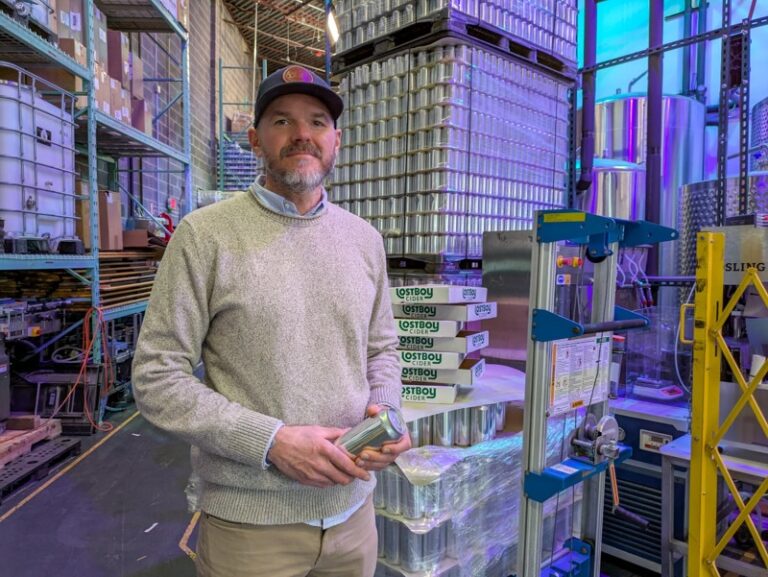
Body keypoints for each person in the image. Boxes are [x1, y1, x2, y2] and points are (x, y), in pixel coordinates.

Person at [132, 64, 410, 577]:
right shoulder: (205, 236)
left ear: (336, 141)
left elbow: (381, 350)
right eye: (283, 121)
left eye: (318, 121)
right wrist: (270, 442)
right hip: (250, 529)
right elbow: (157, 377)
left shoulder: (364, 240)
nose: (303, 133)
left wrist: (386, 414)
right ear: (256, 139)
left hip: (354, 520)